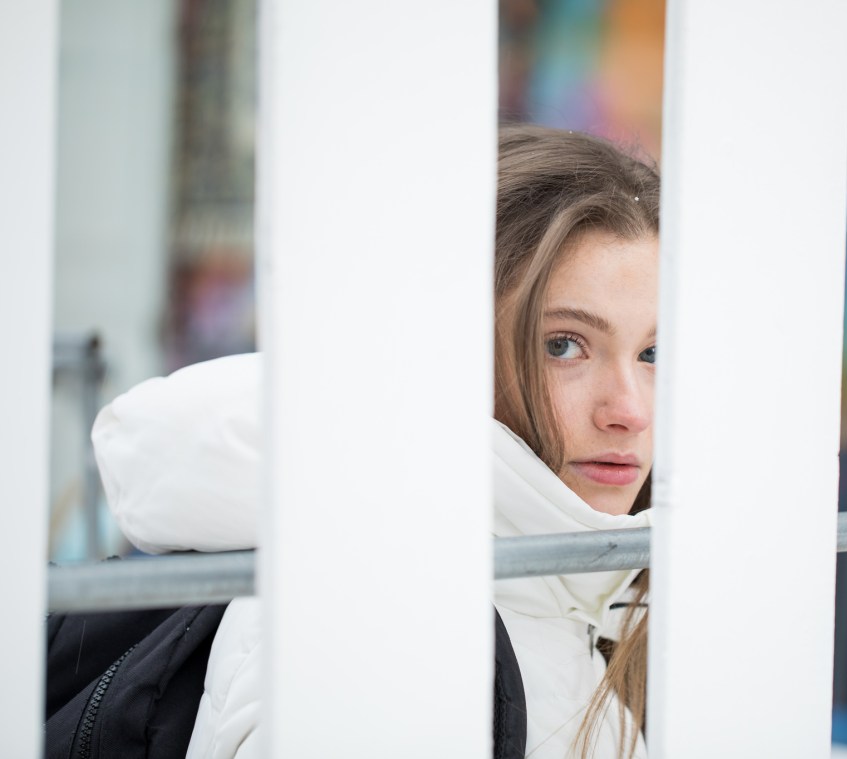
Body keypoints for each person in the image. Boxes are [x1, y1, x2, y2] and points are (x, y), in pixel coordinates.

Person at [91, 124, 659, 758]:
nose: (629, 410)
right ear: (442, 352)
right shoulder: (370, 635)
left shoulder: (582, 607)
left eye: (654, 352)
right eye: (563, 345)